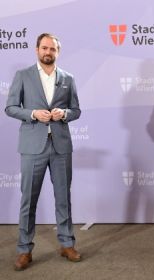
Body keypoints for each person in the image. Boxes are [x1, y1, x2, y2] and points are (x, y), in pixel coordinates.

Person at [5, 33, 82, 271]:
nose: (48, 52)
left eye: (53, 49)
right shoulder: (23, 75)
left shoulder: (68, 78)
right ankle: (24, 249)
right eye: (45, 48)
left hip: (60, 146)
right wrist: (32, 114)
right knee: (28, 200)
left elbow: (76, 109)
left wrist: (65, 114)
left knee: (63, 199)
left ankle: (67, 243)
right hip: (32, 147)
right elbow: (10, 107)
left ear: (58, 52)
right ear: (37, 50)